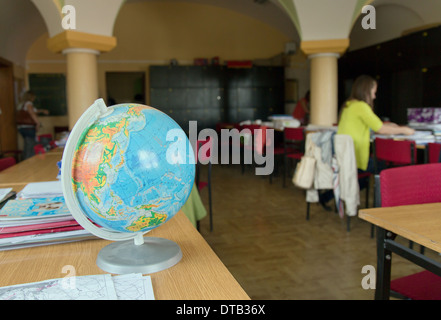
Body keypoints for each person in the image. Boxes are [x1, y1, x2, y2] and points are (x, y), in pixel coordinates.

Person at [337, 75, 415, 173]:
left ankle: (368, 186)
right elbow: (380, 129)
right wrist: (405, 130)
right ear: (366, 91)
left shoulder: (349, 105)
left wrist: (390, 126)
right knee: (387, 168)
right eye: (373, 92)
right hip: (357, 160)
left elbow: (376, 125)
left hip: (346, 158)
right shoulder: (361, 106)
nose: (374, 96)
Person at [17, 91, 49, 159]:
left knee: (27, 144)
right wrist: (37, 123)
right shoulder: (29, 103)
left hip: (22, 127)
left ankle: (24, 160)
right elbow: (32, 113)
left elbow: (33, 111)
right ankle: (28, 161)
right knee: (30, 146)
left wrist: (42, 111)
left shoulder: (22, 104)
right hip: (28, 128)